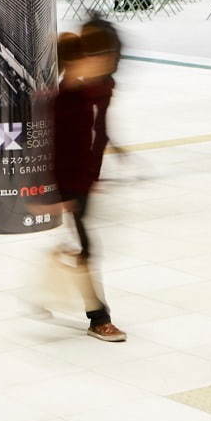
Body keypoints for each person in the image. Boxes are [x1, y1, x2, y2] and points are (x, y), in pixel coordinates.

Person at [48, 21, 127, 342]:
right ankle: (98, 318)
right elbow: (59, 150)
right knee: (88, 247)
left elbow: (98, 132)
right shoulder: (65, 98)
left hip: (86, 180)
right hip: (72, 184)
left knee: (84, 247)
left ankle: (57, 266)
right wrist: (60, 193)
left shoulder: (97, 89)